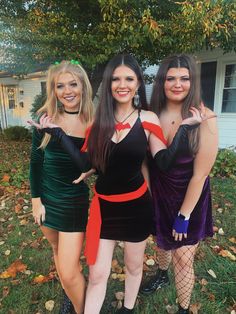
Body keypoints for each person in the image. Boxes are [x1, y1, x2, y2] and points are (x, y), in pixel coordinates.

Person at [31, 54, 202, 314]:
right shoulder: (99, 121)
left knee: (134, 267)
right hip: (105, 209)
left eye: (129, 78)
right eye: (116, 79)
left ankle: (128, 309)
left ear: (137, 84)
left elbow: (164, 162)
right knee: (98, 275)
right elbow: (85, 162)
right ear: (109, 84)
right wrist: (58, 134)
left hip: (136, 207)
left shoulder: (147, 118)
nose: (122, 84)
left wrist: (183, 130)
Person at [140, 54, 218, 314]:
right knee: (160, 241)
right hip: (158, 193)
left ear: (192, 82)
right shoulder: (152, 114)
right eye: (170, 78)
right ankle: (161, 273)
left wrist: (184, 215)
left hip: (190, 197)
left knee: (183, 259)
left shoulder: (205, 117)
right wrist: (149, 195)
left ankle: (183, 308)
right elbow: (147, 162)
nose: (177, 84)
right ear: (162, 82)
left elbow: (201, 174)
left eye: (184, 78)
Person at [29, 61, 94, 314]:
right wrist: (36, 200)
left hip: (72, 202)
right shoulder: (44, 117)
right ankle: (70, 294)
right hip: (46, 198)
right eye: (60, 86)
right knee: (56, 250)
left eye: (73, 84)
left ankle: (82, 310)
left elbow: (95, 163)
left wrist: (92, 169)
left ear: (82, 86)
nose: (67, 91)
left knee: (69, 270)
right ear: (53, 90)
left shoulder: (93, 120)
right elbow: (35, 162)